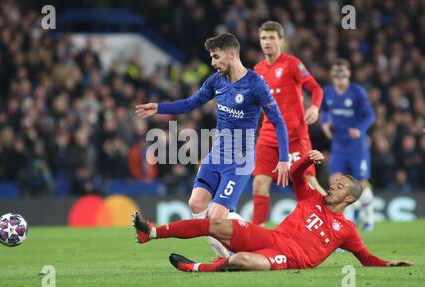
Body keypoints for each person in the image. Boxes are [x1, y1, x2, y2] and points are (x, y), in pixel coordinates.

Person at [135, 33, 290, 258]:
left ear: (231, 54)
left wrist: (284, 158)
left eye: (216, 57)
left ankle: (246, 252)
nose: (213, 62)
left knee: (216, 218)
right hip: (216, 155)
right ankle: (229, 257)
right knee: (196, 204)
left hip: (239, 160)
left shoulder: (256, 84)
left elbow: (278, 121)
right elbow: (190, 104)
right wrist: (159, 108)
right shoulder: (216, 81)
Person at [132, 150, 413, 272]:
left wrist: (387, 264)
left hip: (287, 259)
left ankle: (196, 268)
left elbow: (364, 258)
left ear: (349, 199)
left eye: (339, 187)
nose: (332, 186)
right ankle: (152, 233)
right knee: (214, 221)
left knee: (241, 261)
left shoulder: (347, 230)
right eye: (334, 182)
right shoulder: (312, 198)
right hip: (270, 238)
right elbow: (294, 174)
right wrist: (306, 159)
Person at [252, 21, 326, 227]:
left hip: (295, 137)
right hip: (268, 136)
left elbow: (316, 89)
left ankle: (333, 224)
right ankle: (257, 236)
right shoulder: (257, 70)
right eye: (264, 38)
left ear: (281, 41)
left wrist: (315, 108)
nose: (267, 42)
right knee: (259, 184)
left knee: (310, 185)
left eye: (271, 38)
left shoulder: (292, 64)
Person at [321, 58, 376, 231]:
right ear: (332, 75)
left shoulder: (357, 92)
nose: (339, 76)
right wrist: (324, 123)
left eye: (342, 72)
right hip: (339, 144)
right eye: (336, 73)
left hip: (357, 146)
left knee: (362, 184)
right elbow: (323, 110)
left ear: (348, 73)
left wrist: (360, 129)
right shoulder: (327, 92)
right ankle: (346, 223)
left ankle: (368, 214)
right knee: (335, 183)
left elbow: (370, 115)